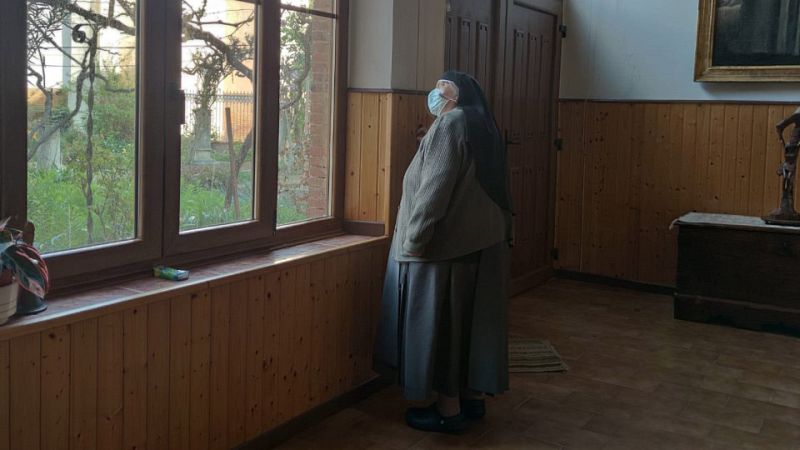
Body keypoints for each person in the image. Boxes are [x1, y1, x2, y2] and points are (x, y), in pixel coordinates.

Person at [373, 71, 513, 434]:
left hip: (445, 249)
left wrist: (413, 243)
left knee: (444, 329)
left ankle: (447, 411)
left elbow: (434, 190)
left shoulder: (450, 125)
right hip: (483, 245)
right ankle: (472, 399)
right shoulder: (484, 123)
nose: (435, 97)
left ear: (456, 97)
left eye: (442, 91)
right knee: (471, 326)